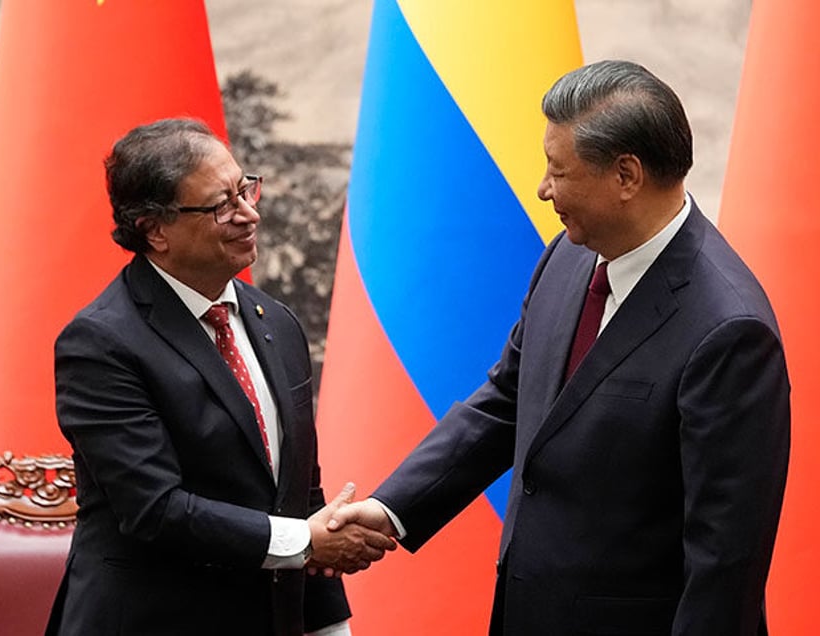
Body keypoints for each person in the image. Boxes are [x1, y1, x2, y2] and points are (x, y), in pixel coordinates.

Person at [328, 60, 790, 635]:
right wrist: (391, 509)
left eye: (558, 171)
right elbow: (508, 400)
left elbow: (725, 563)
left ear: (626, 176)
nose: (544, 189)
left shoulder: (728, 330)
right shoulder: (567, 256)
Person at [45, 118, 394, 636]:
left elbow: (300, 493)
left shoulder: (274, 321)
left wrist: (329, 625)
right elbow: (155, 510)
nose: (249, 213)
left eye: (245, 189)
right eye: (221, 206)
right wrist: (301, 542)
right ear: (153, 229)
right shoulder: (100, 343)